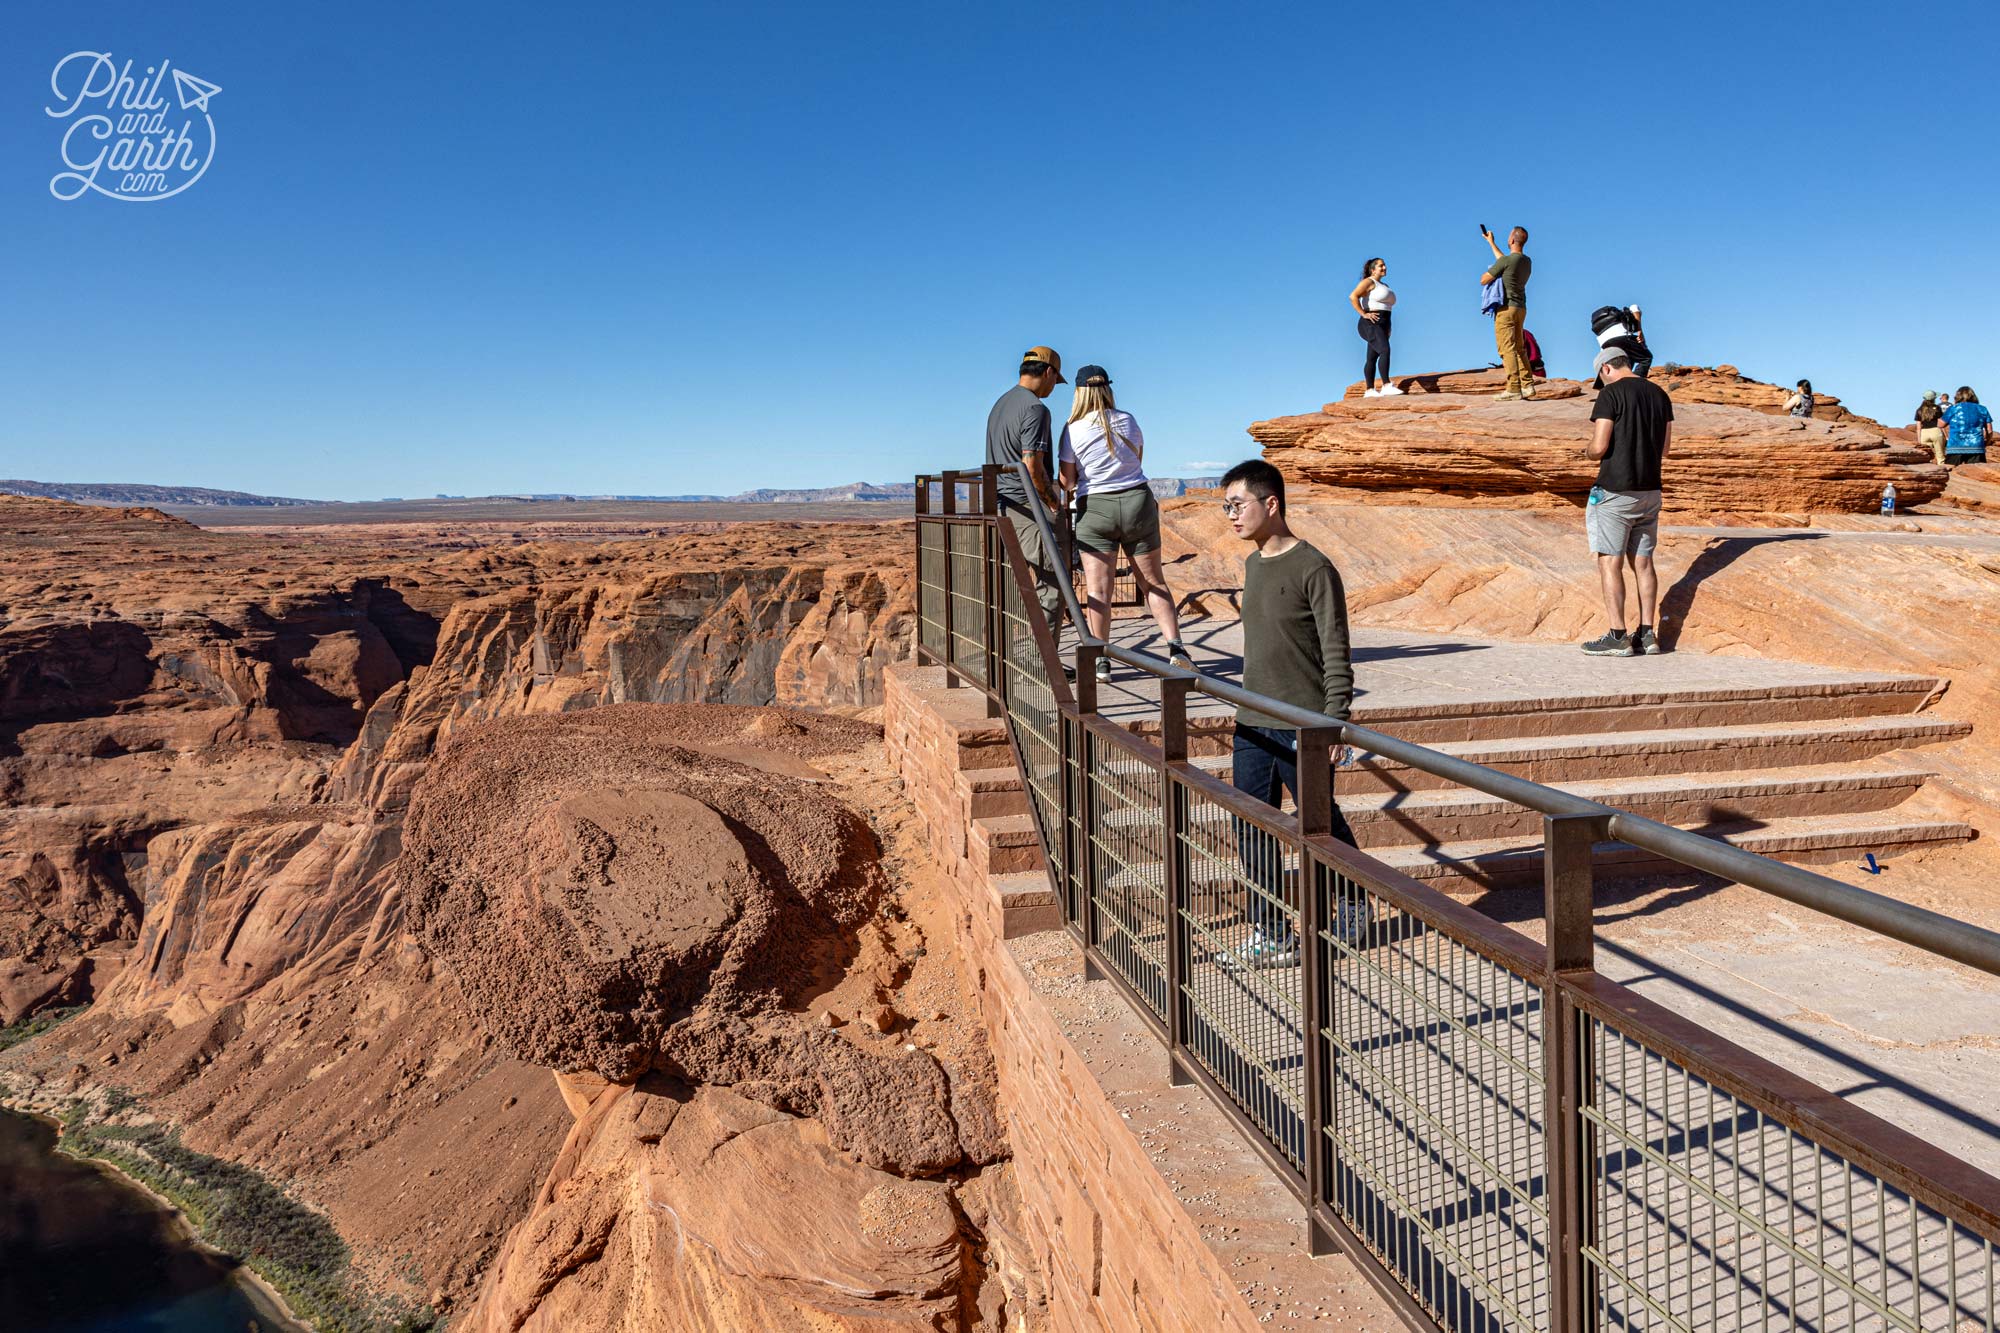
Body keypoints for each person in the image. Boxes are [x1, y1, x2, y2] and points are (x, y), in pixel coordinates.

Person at [1213, 459, 1359, 970]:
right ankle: (1273, 931)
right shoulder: (1252, 565)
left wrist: (1334, 720)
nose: (1230, 516)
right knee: (1252, 823)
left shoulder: (1314, 568)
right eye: (1225, 507)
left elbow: (1337, 651)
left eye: (1237, 505)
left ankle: (1356, 901)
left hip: (1304, 722)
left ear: (1270, 504)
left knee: (1317, 823)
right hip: (1252, 719)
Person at [1055, 366, 1195, 679]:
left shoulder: (1073, 428)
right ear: (1107, 389)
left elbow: (1066, 481)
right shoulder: (1128, 420)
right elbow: (1137, 460)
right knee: (1153, 582)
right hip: (1137, 501)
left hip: (1096, 509)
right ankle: (1176, 648)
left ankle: (1101, 660)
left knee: (1099, 590)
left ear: (1079, 392)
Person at [1582, 349, 1674, 656]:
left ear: (1606, 368)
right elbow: (1666, 449)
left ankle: (1618, 635)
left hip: (1615, 491)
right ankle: (1648, 635)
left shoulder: (1610, 396)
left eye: (1601, 377)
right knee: (1644, 563)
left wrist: (1588, 453)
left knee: (1610, 561)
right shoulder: (1660, 395)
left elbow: (1599, 445)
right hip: (1650, 492)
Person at [985, 345, 1069, 625]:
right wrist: (1053, 503)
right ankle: (1037, 665)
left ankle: (1034, 662)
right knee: (1054, 586)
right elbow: (1032, 466)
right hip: (1028, 507)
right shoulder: (1035, 408)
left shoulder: (1001, 403)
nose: (1053, 388)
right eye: (1055, 381)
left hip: (1003, 504)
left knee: (1024, 588)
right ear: (1048, 372)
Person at [1480, 225, 1534, 401]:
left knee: (1506, 348)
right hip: (1520, 308)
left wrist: (1491, 274)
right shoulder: (1526, 261)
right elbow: (1504, 260)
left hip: (1506, 309)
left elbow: (1484, 279)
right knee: (1519, 347)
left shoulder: (1507, 262)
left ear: (1511, 240)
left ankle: (1513, 388)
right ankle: (1527, 384)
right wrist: (1491, 243)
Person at [1349, 258, 1402, 397]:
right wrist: (1364, 314)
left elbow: (1387, 308)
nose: (1384, 267)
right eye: (1381, 265)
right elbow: (1353, 296)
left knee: (1372, 357)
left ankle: (1369, 390)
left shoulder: (1384, 285)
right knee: (1385, 350)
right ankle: (1386, 385)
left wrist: (1388, 328)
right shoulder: (1368, 282)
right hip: (1370, 323)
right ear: (1373, 269)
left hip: (1384, 323)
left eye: (1384, 265)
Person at [1944, 386, 1993, 465]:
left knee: (1951, 472)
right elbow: (1989, 430)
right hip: (1976, 446)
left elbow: (1941, 424)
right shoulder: (1982, 409)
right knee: (1976, 474)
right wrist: (1987, 442)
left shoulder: (1953, 408)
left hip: (1955, 446)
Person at [1915, 390, 1948, 465]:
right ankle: (1942, 471)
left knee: (1926, 456)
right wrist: (1946, 435)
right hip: (1936, 431)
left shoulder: (1919, 410)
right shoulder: (1937, 408)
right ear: (1934, 398)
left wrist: (1919, 440)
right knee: (1940, 455)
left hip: (1924, 433)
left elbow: (1918, 427)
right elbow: (1940, 423)